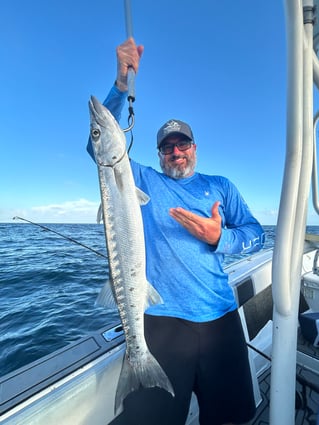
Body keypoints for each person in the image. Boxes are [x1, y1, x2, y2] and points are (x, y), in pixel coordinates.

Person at [87, 37, 265, 425]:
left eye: (182, 144)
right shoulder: (140, 179)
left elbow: (256, 234)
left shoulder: (220, 185)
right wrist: (120, 84)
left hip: (220, 320)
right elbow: (99, 147)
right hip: (162, 322)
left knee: (232, 419)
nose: (176, 153)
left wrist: (220, 237)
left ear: (194, 147)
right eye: (167, 148)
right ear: (158, 155)